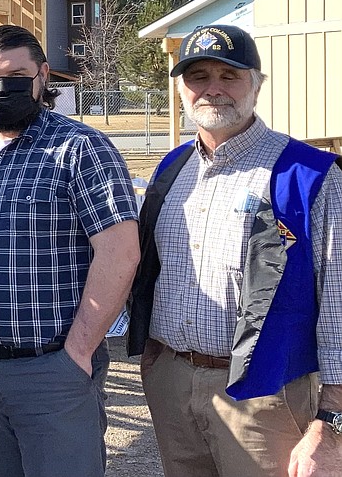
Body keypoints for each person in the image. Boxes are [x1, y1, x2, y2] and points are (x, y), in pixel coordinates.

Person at [128, 24, 342, 477]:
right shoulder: (172, 168)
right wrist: (154, 353)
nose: (213, 89)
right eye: (198, 76)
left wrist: (332, 422)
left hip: (265, 397)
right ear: (182, 89)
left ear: (257, 85)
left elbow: (339, 304)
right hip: (172, 383)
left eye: (229, 75)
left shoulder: (310, 176)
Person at [0, 24, 140, 477]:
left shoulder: (81, 149)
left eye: (16, 76)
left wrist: (78, 352)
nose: (1, 89)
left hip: (53, 371)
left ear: (43, 76)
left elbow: (120, 253)